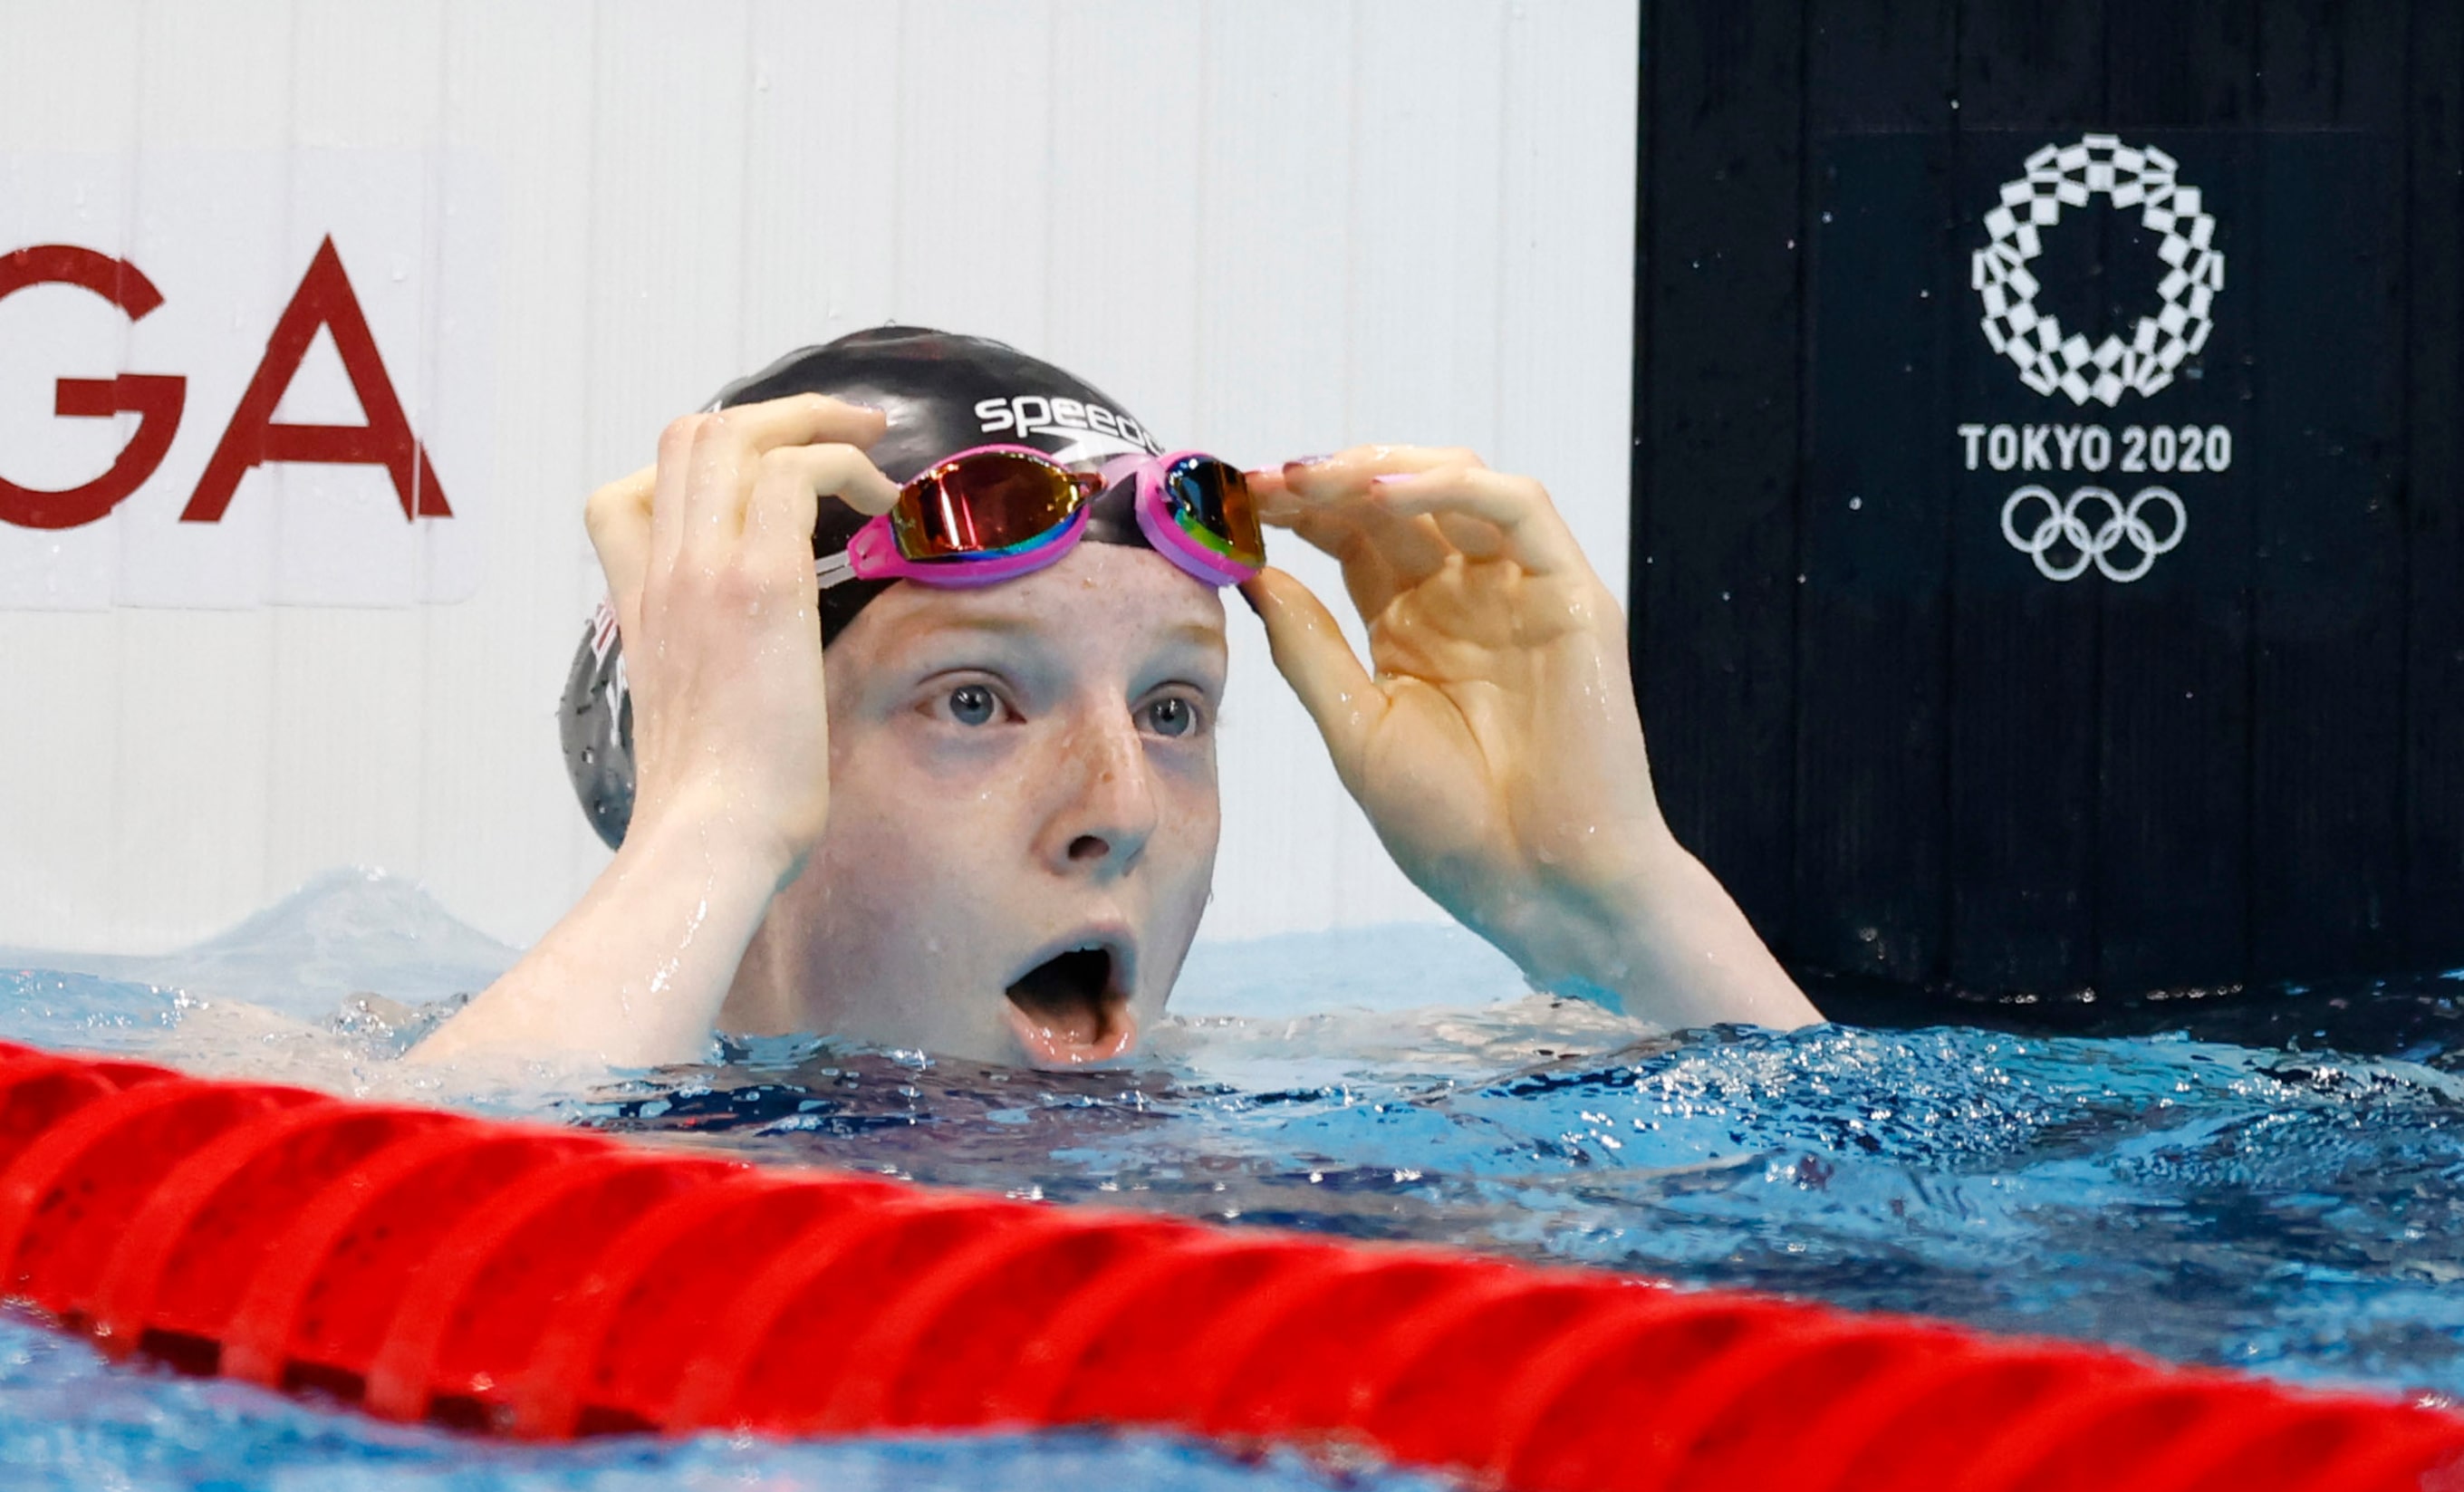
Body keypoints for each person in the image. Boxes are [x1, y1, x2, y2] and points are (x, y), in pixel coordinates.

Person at [413, 328, 1816, 1070]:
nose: (1119, 812)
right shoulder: (346, 1074)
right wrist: (706, 827)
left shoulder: (1336, 1100)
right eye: (975, 703)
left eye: (1170, 709)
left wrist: (1609, 904)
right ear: (739, 745)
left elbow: (1860, 1253)